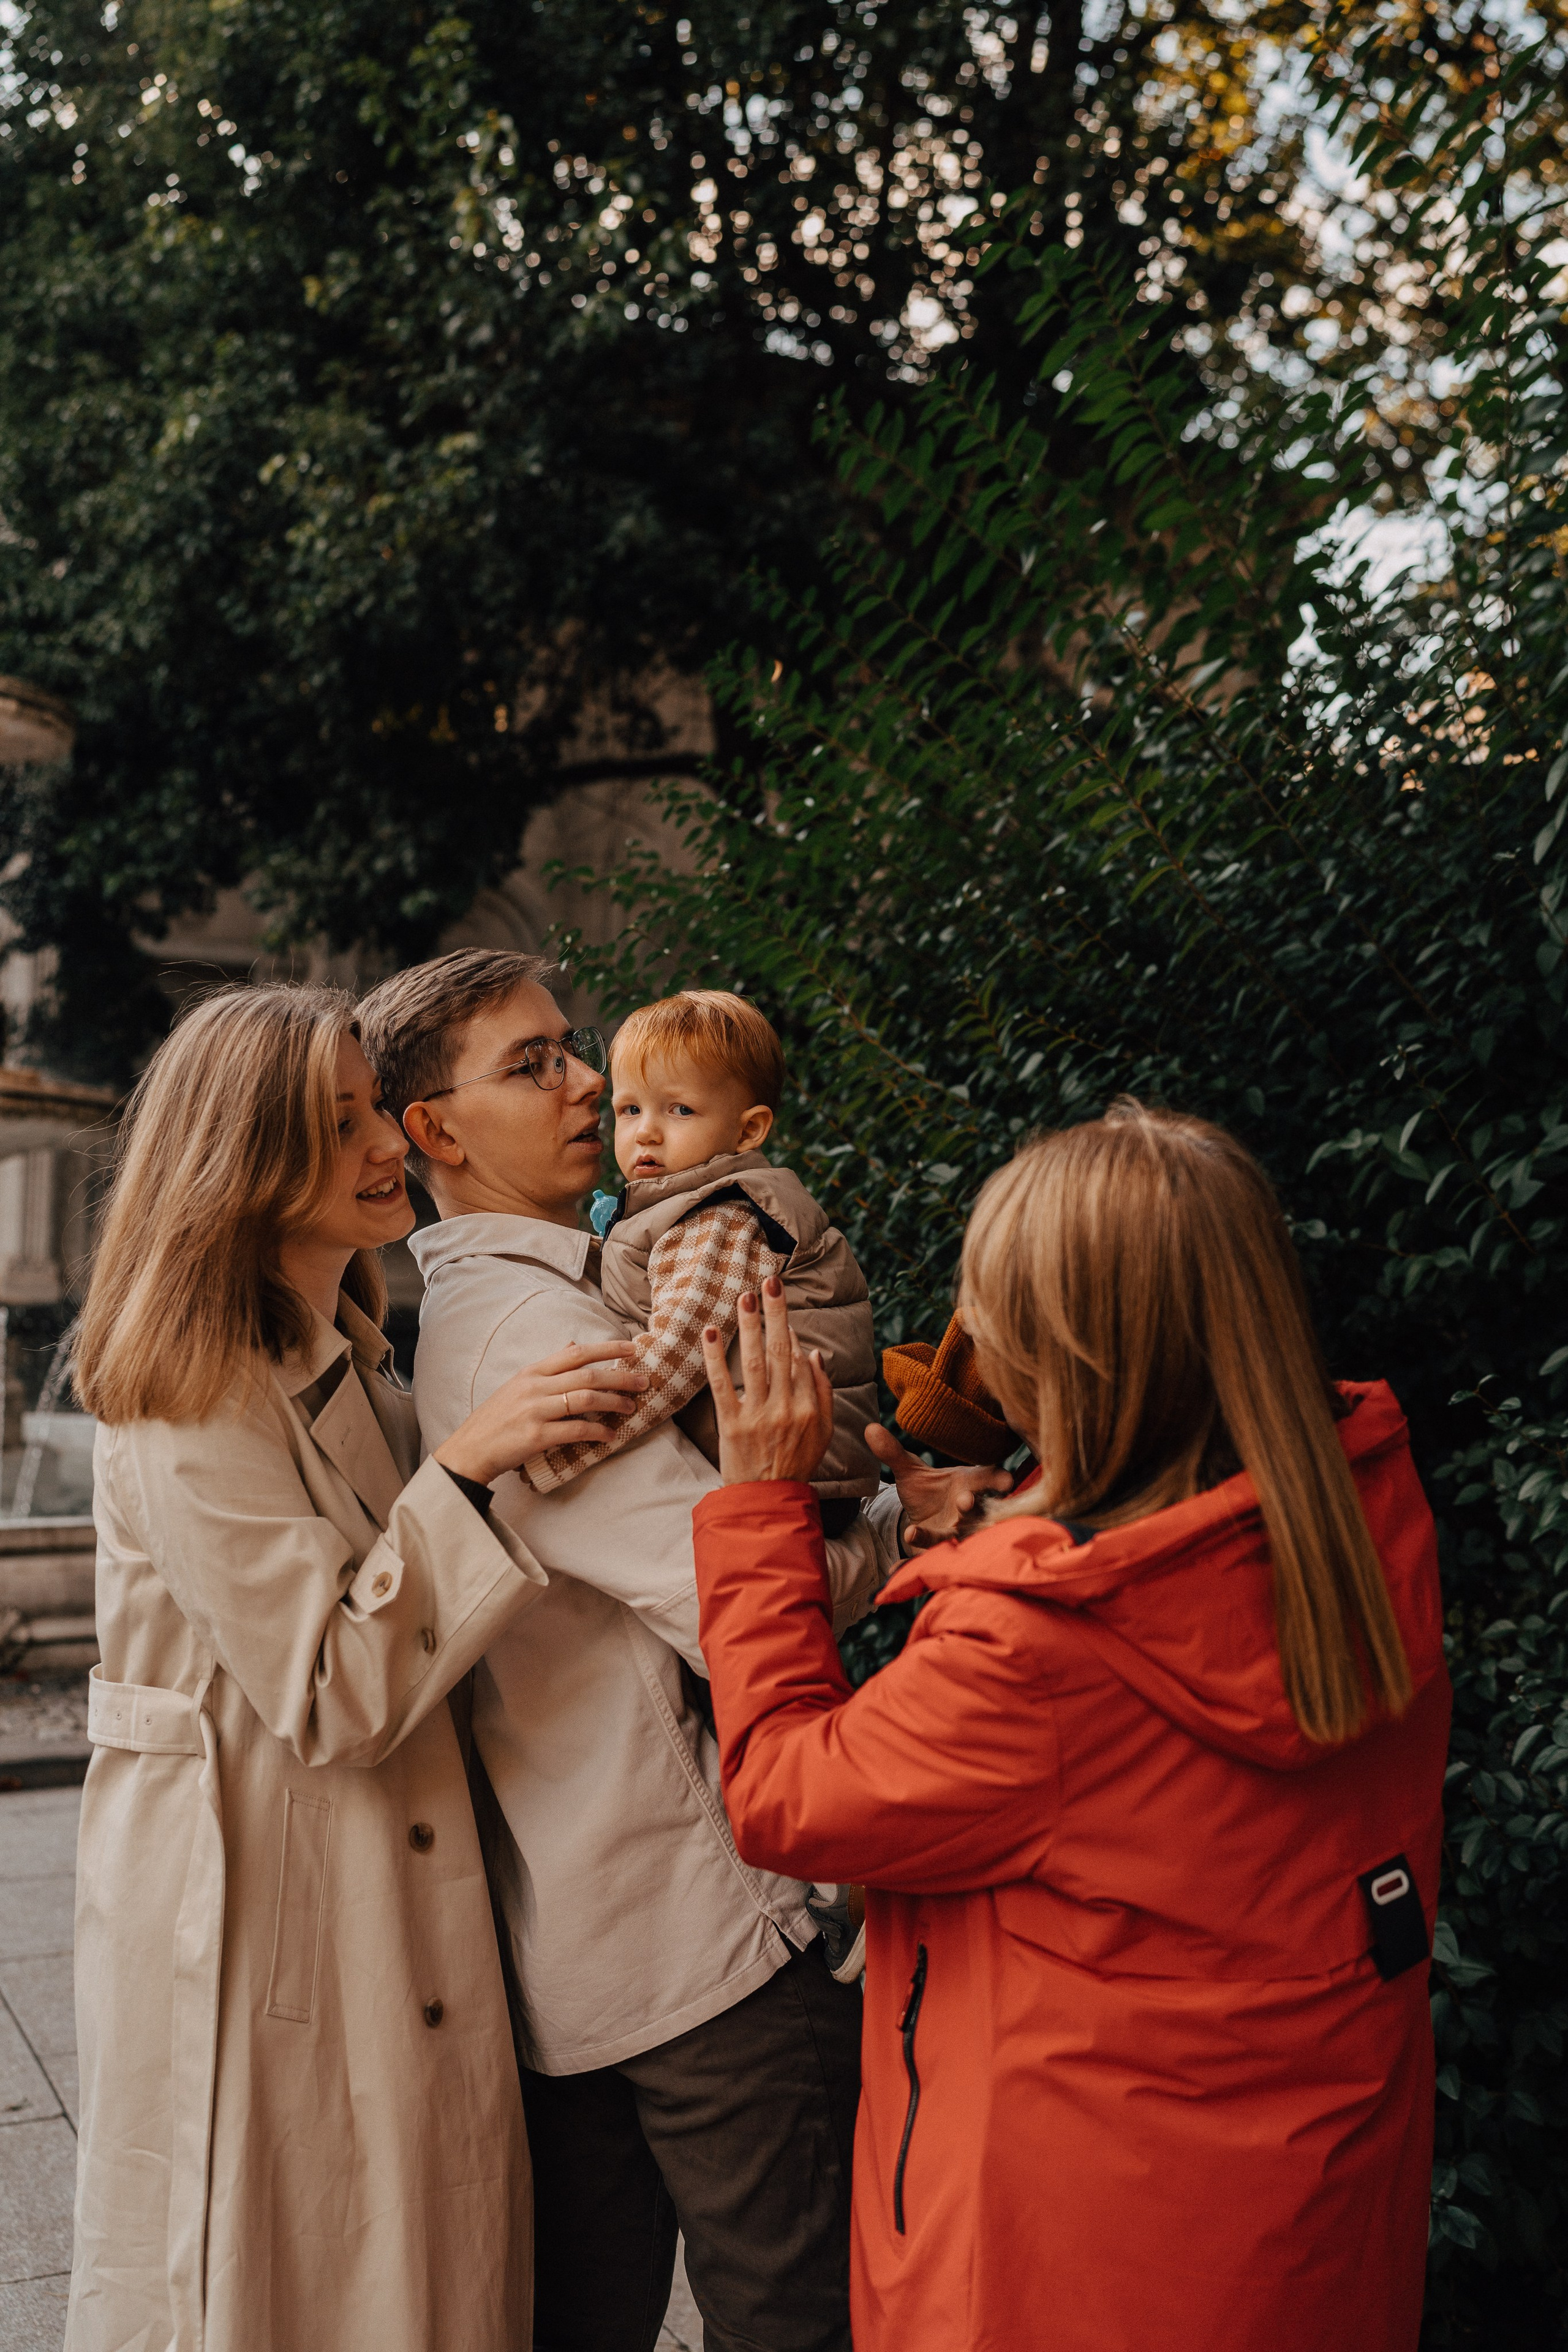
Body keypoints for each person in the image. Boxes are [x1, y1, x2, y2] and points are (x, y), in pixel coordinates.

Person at [691, 1101, 1451, 2352]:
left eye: (991, 1312)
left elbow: (785, 1793)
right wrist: (1012, 1528)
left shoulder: (1039, 1647)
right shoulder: (1358, 1506)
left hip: (1065, 2255)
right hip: (1293, 2218)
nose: (970, 1341)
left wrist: (760, 1507)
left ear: (1067, 1356)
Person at [66, 982, 646, 2352]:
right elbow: (329, 1688)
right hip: (265, 1909)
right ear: (244, 1165)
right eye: (335, 1126)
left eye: (372, 1105)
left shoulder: (358, 1358)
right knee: (297, 2277)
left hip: (369, 1889)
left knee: (405, 2264)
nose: (385, 1141)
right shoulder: (188, 1393)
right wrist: (469, 1464)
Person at [356, 949, 911, 2352]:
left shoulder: (550, 1296)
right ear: (433, 1130)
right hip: (700, 1931)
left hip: (600, 1924)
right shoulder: (531, 1330)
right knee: (799, 2319)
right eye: (531, 1061)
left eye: (573, 1047)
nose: (590, 1077)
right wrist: (909, 1527)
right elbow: (729, 1591)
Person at [527, 987, 879, 1539]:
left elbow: (674, 1355)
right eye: (630, 1109)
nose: (645, 1130)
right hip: (793, 1472)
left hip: (788, 1473)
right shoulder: (682, 1210)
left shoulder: (718, 1218)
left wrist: (562, 1452)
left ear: (748, 1130)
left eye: (680, 1109)